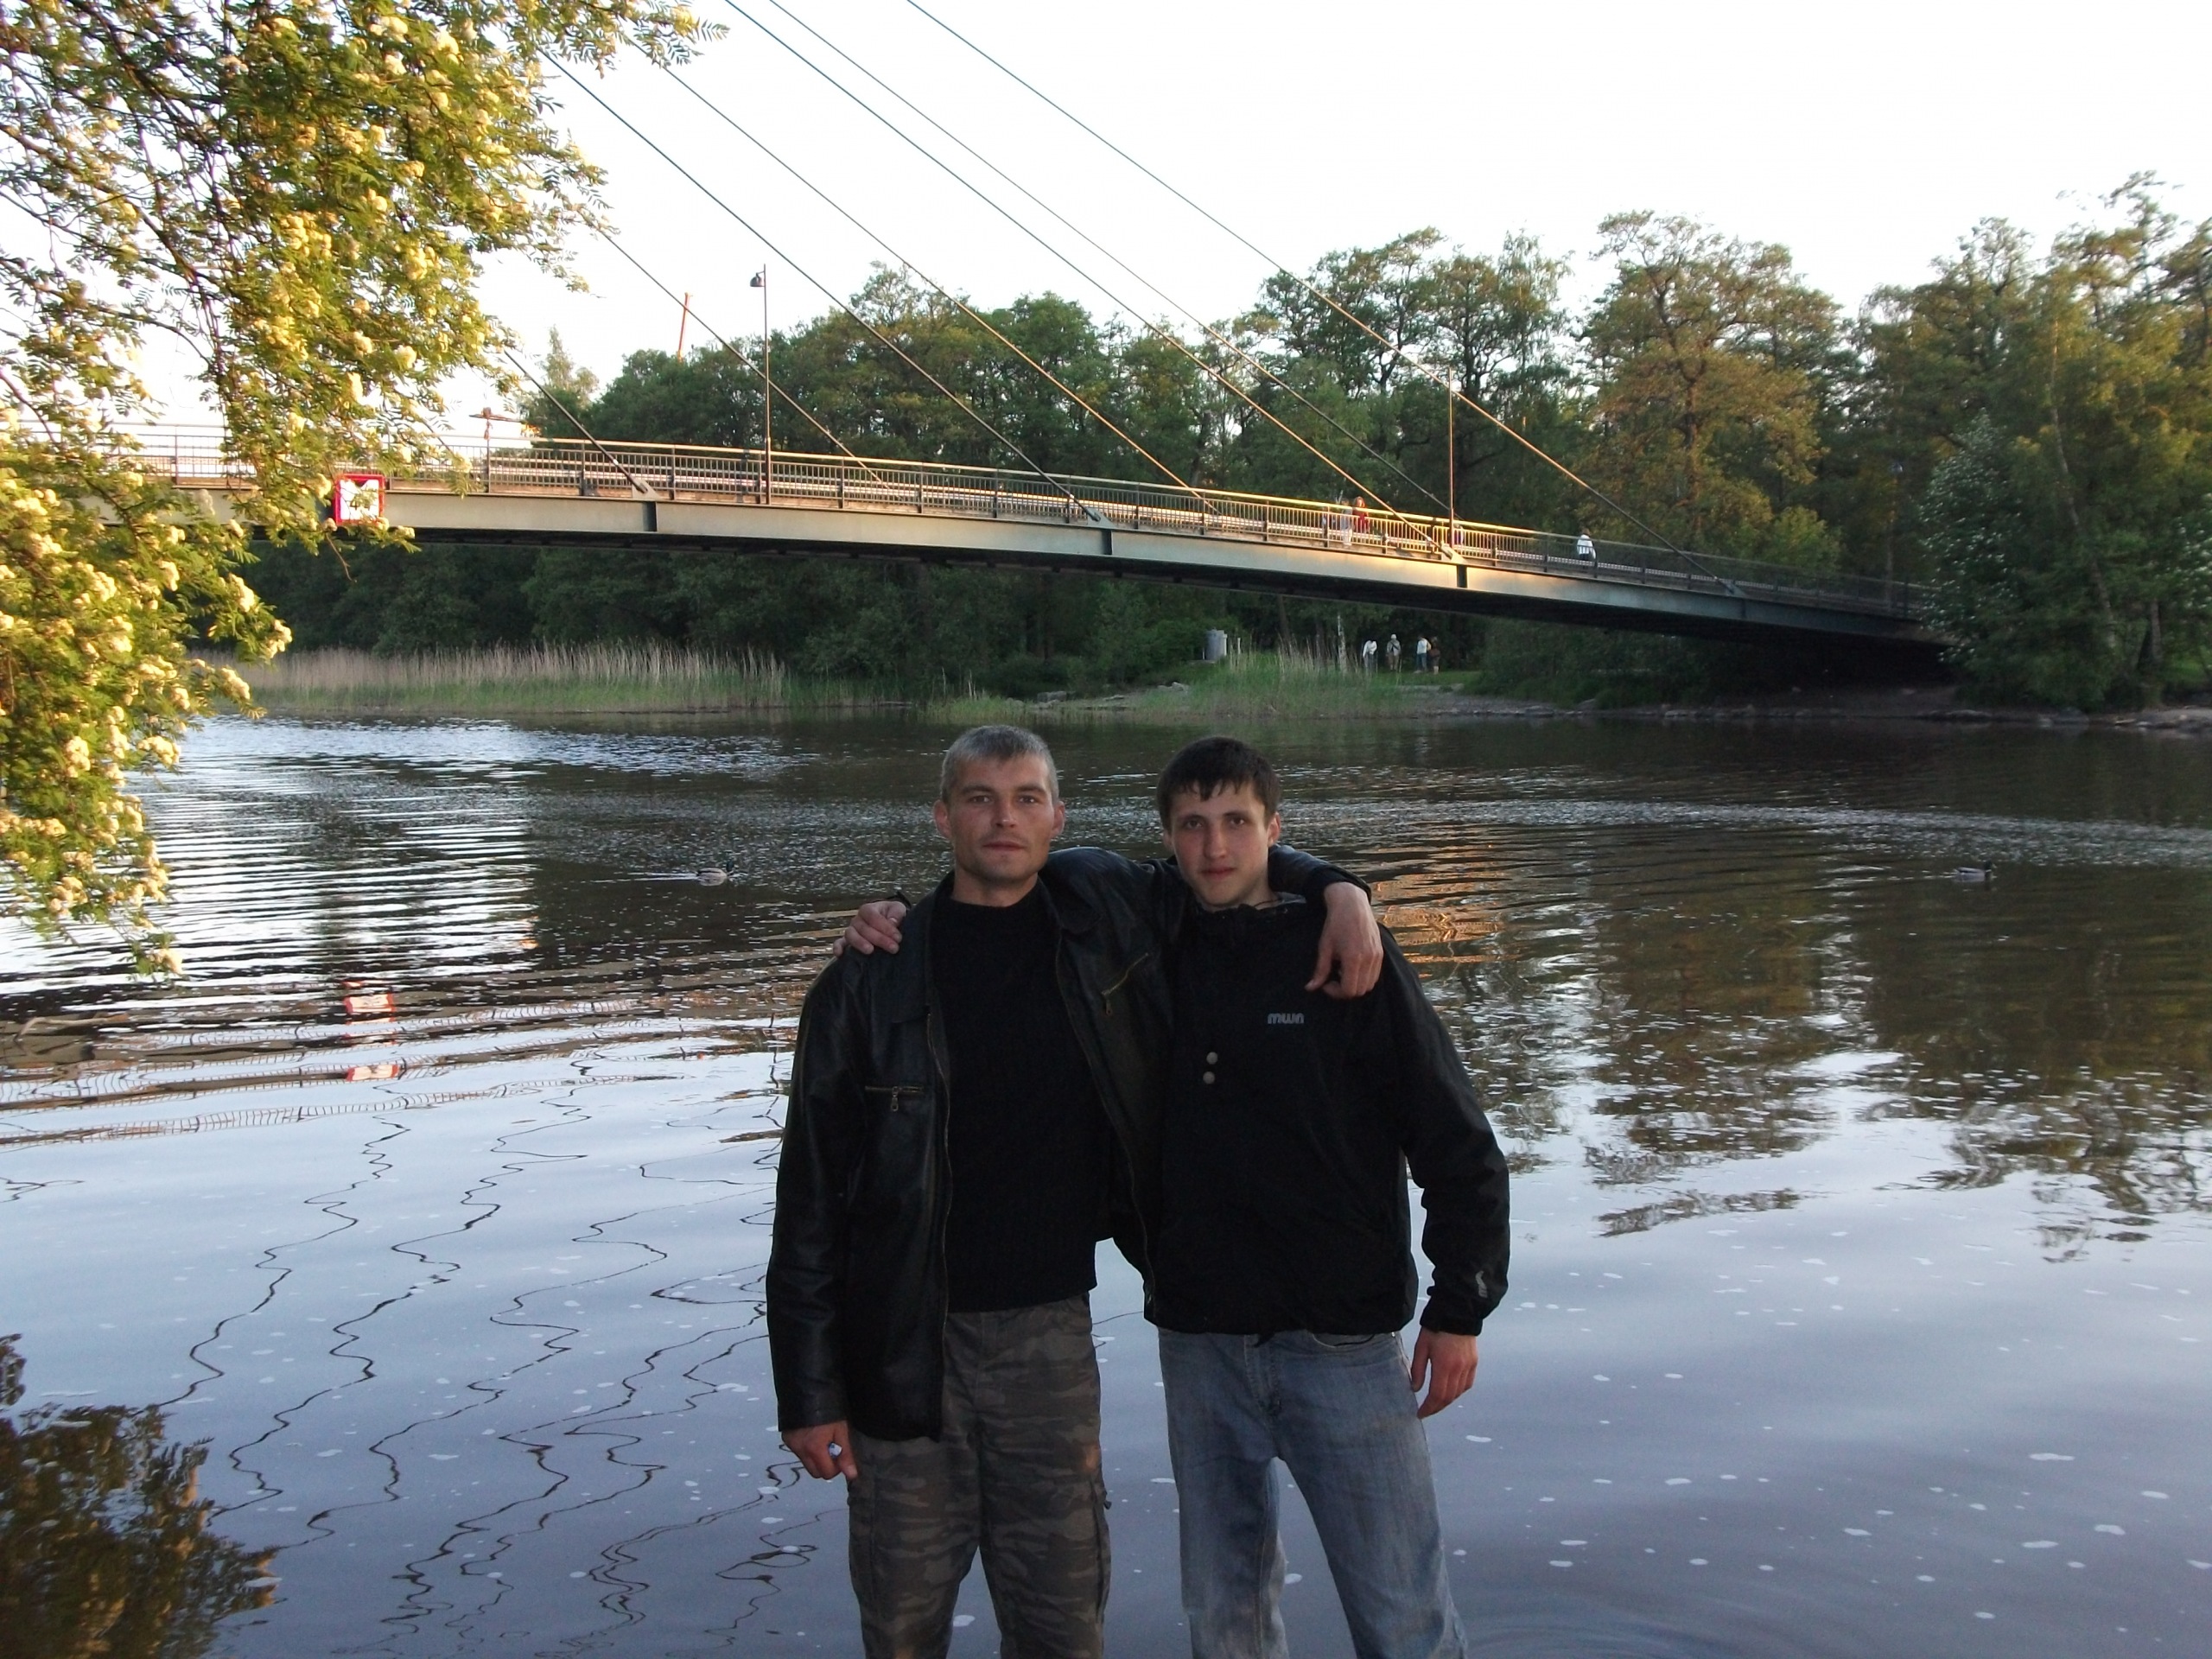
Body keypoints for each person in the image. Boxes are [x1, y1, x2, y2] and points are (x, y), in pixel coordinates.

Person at [770, 726, 1381, 1659]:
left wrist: (1340, 889)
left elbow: (1227, 863)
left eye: (1025, 798)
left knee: (1062, 1622)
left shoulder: (1108, 913)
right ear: (942, 818)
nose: (1002, 819)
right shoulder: (870, 978)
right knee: (901, 1624)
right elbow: (809, 1200)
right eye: (979, 799)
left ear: (1057, 817)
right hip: (902, 1344)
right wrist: (810, 1393)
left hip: (1048, 1338)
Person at [1149, 736, 1509, 1659]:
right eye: (1193, 825)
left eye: (1237, 822)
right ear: (1168, 838)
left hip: (1341, 1342)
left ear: (1275, 829)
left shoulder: (1349, 951)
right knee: (1223, 1619)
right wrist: (893, 913)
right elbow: (1017, 881)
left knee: (1403, 1618)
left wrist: (1459, 1310)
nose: (1215, 846)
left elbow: (1457, 1142)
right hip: (1199, 1339)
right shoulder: (1146, 938)